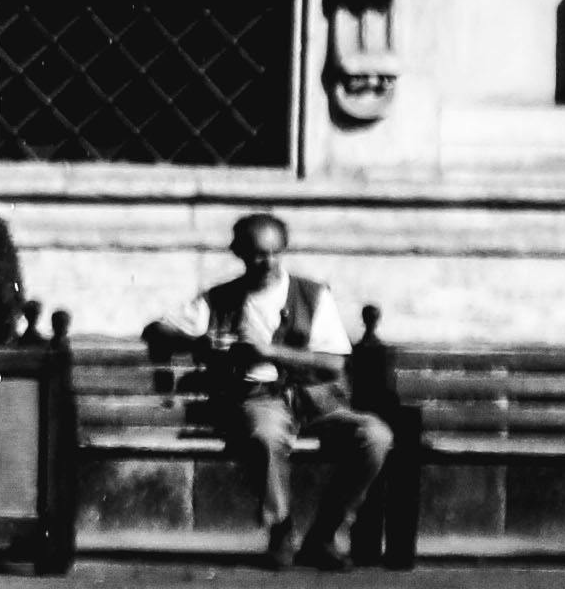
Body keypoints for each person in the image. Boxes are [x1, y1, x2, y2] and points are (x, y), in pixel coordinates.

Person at [148, 210, 384, 570]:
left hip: (317, 398)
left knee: (375, 437)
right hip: (259, 396)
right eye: (258, 253)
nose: (267, 262)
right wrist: (200, 343)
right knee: (266, 435)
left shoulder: (312, 295)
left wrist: (270, 351)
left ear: (284, 250)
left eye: (274, 253)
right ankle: (280, 527)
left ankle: (325, 534)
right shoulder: (220, 299)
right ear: (240, 254)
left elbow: (333, 363)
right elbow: (157, 331)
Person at [344, 303, 430, 568]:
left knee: (399, 435)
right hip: (358, 420)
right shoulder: (359, 354)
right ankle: (391, 552)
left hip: (373, 416)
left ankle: (387, 550)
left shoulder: (373, 354)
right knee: (385, 436)